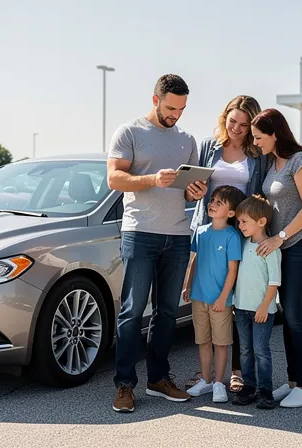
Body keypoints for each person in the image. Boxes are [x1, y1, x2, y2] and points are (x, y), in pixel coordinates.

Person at [107, 74, 208, 413]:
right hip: (140, 233)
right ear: (155, 99)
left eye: (181, 109)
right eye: (170, 107)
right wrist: (152, 179)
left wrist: (195, 190)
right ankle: (124, 385)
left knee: (167, 312)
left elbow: (189, 186)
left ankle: (159, 379)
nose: (175, 115)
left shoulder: (187, 139)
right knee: (132, 311)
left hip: (178, 235)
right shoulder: (130, 132)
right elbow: (114, 178)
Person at [187, 95, 267, 395]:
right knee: (210, 300)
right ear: (225, 118)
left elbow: (261, 194)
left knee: (238, 303)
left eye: (244, 125)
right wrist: (193, 192)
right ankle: (208, 373)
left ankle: (236, 371)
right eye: (232, 121)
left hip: (240, 232)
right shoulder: (209, 147)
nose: (237, 128)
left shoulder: (257, 154)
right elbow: (192, 189)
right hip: (210, 231)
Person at [251, 108, 302, 409]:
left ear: (275, 134)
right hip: (282, 248)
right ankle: (294, 382)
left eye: (259, 137)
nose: (256, 142)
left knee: (296, 315)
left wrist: (278, 238)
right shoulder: (272, 164)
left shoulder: (300, 160)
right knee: (289, 314)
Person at [182, 185, 246, 403]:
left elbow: (232, 270)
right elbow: (195, 260)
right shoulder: (200, 232)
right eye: (213, 200)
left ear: (231, 213)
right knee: (202, 341)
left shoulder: (232, 236)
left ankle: (220, 382)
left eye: (220, 202)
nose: (213, 203)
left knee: (221, 342)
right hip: (199, 298)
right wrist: (188, 285)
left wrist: (223, 297)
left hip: (220, 301)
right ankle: (206, 380)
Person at [231, 194, 281, 409]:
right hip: (241, 309)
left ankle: (265, 390)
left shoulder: (270, 249)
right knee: (245, 350)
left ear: (261, 222)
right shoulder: (242, 244)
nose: (240, 225)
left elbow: (274, 281)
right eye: (239, 221)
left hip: (262, 310)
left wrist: (264, 307)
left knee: (261, 350)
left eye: (244, 221)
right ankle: (249, 387)